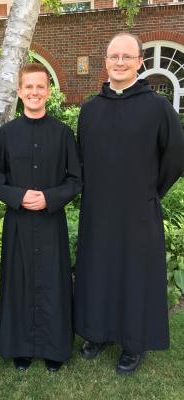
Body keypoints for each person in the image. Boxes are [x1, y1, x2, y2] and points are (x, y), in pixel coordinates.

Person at [74, 32, 184, 375]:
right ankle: (96, 333)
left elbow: (174, 159)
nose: (119, 62)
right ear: (105, 62)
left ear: (139, 62)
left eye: (126, 57)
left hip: (138, 209)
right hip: (98, 210)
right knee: (98, 271)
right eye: (113, 56)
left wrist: (149, 191)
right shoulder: (90, 110)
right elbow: (82, 159)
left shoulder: (158, 107)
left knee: (134, 275)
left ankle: (133, 343)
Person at [0, 63, 81, 372]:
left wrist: (50, 198)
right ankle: (21, 349)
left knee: (54, 283)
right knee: (19, 283)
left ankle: (54, 350)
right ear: (20, 92)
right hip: (19, 223)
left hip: (51, 222)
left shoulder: (63, 133)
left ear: (48, 91)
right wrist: (18, 196)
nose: (34, 92)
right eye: (29, 87)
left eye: (40, 87)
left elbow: (75, 179)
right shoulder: (6, 133)